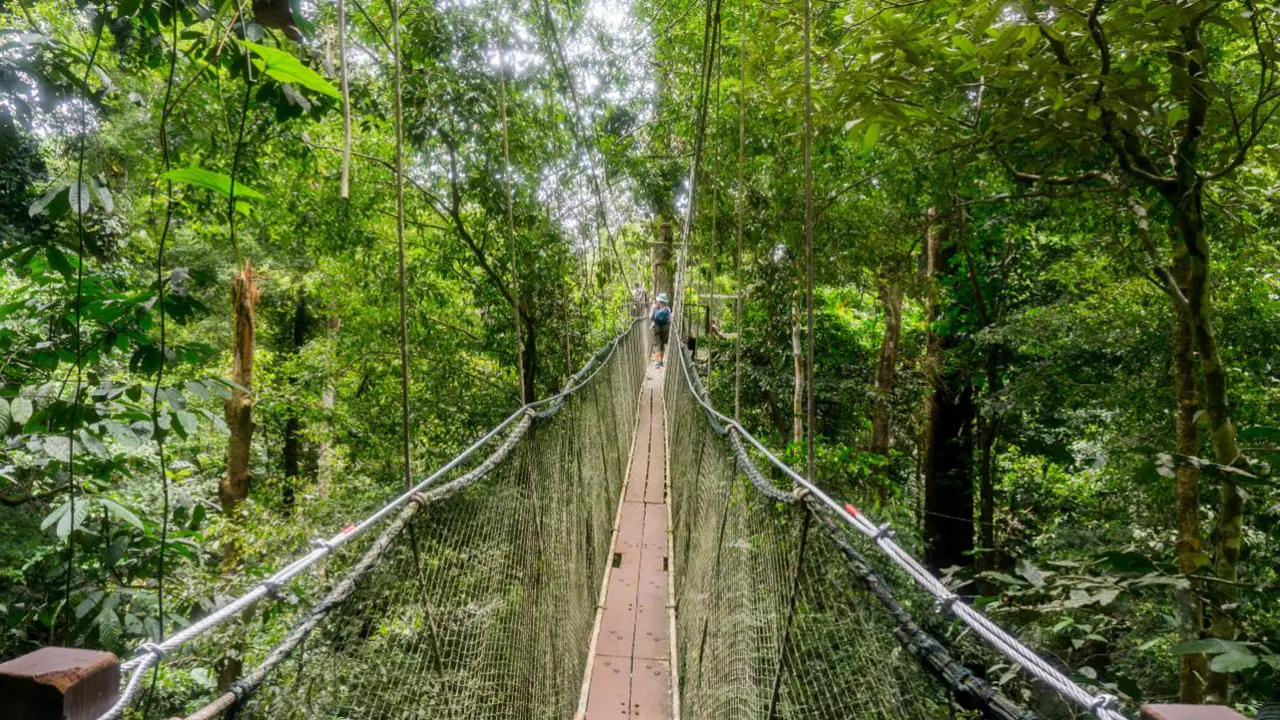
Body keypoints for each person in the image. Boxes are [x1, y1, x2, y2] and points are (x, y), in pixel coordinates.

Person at [651, 293, 671, 368]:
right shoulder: (667, 309)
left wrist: (653, 308)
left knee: (657, 345)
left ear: (660, 301)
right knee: (662, 344)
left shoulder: (656, 308)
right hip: (665, 329)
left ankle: (657, 363)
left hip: (656, 329)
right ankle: (661, 361)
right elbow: (669, 319)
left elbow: (651, 317)